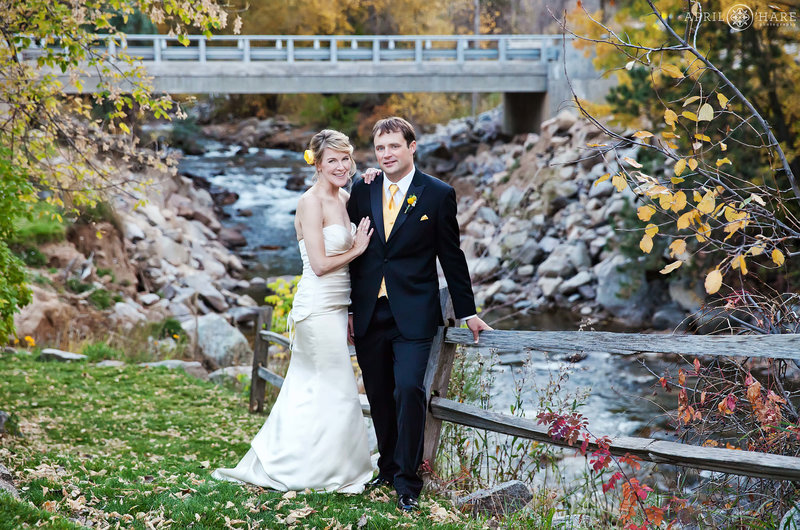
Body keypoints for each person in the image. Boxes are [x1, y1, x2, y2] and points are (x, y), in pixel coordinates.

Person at [212, 129, 375, 493]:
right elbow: (318, 264)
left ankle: (329, 463)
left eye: (345, 158)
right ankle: (311, 469)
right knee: (335, 386)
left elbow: (367, 206)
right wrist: (358, 248)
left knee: (318, 388)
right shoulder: (310, 202)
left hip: (338, 307)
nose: (340, 165)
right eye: (331, 160)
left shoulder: (347, 196)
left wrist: (371, 180)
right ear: (316, 164)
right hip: (316, 308)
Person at [347, 117, 492, 512]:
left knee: (409, 389)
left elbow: (452, 255)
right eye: (380, 148)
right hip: (368, 312)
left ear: (413, 147)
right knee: (377, 394)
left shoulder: (438, 194)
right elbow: (352, 253)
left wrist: (468, 312)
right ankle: (388, 466)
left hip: (413, 314)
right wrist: (348, 309)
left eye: (394, 146)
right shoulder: (364, 189)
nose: (387, 154)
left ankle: (408, 482)